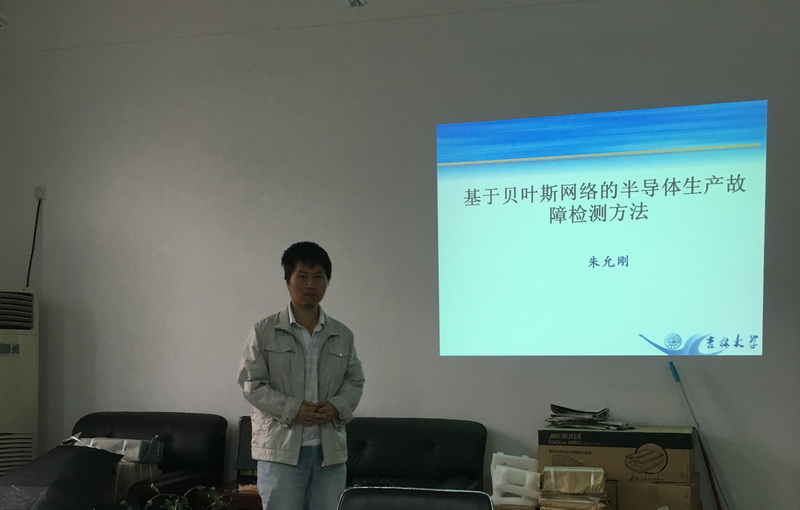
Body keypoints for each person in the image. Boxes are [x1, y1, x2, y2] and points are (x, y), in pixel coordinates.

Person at [238, 241, 365, 510]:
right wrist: (292, 409)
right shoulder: (264, 331)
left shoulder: (342, 334)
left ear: (327, 282)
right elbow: (252, 383)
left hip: (329, 452)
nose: (311, 284)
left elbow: (354, 381)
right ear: (288, 281)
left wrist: (336, 406)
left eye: (319, 277)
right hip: (280, 452)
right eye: (303, 276)